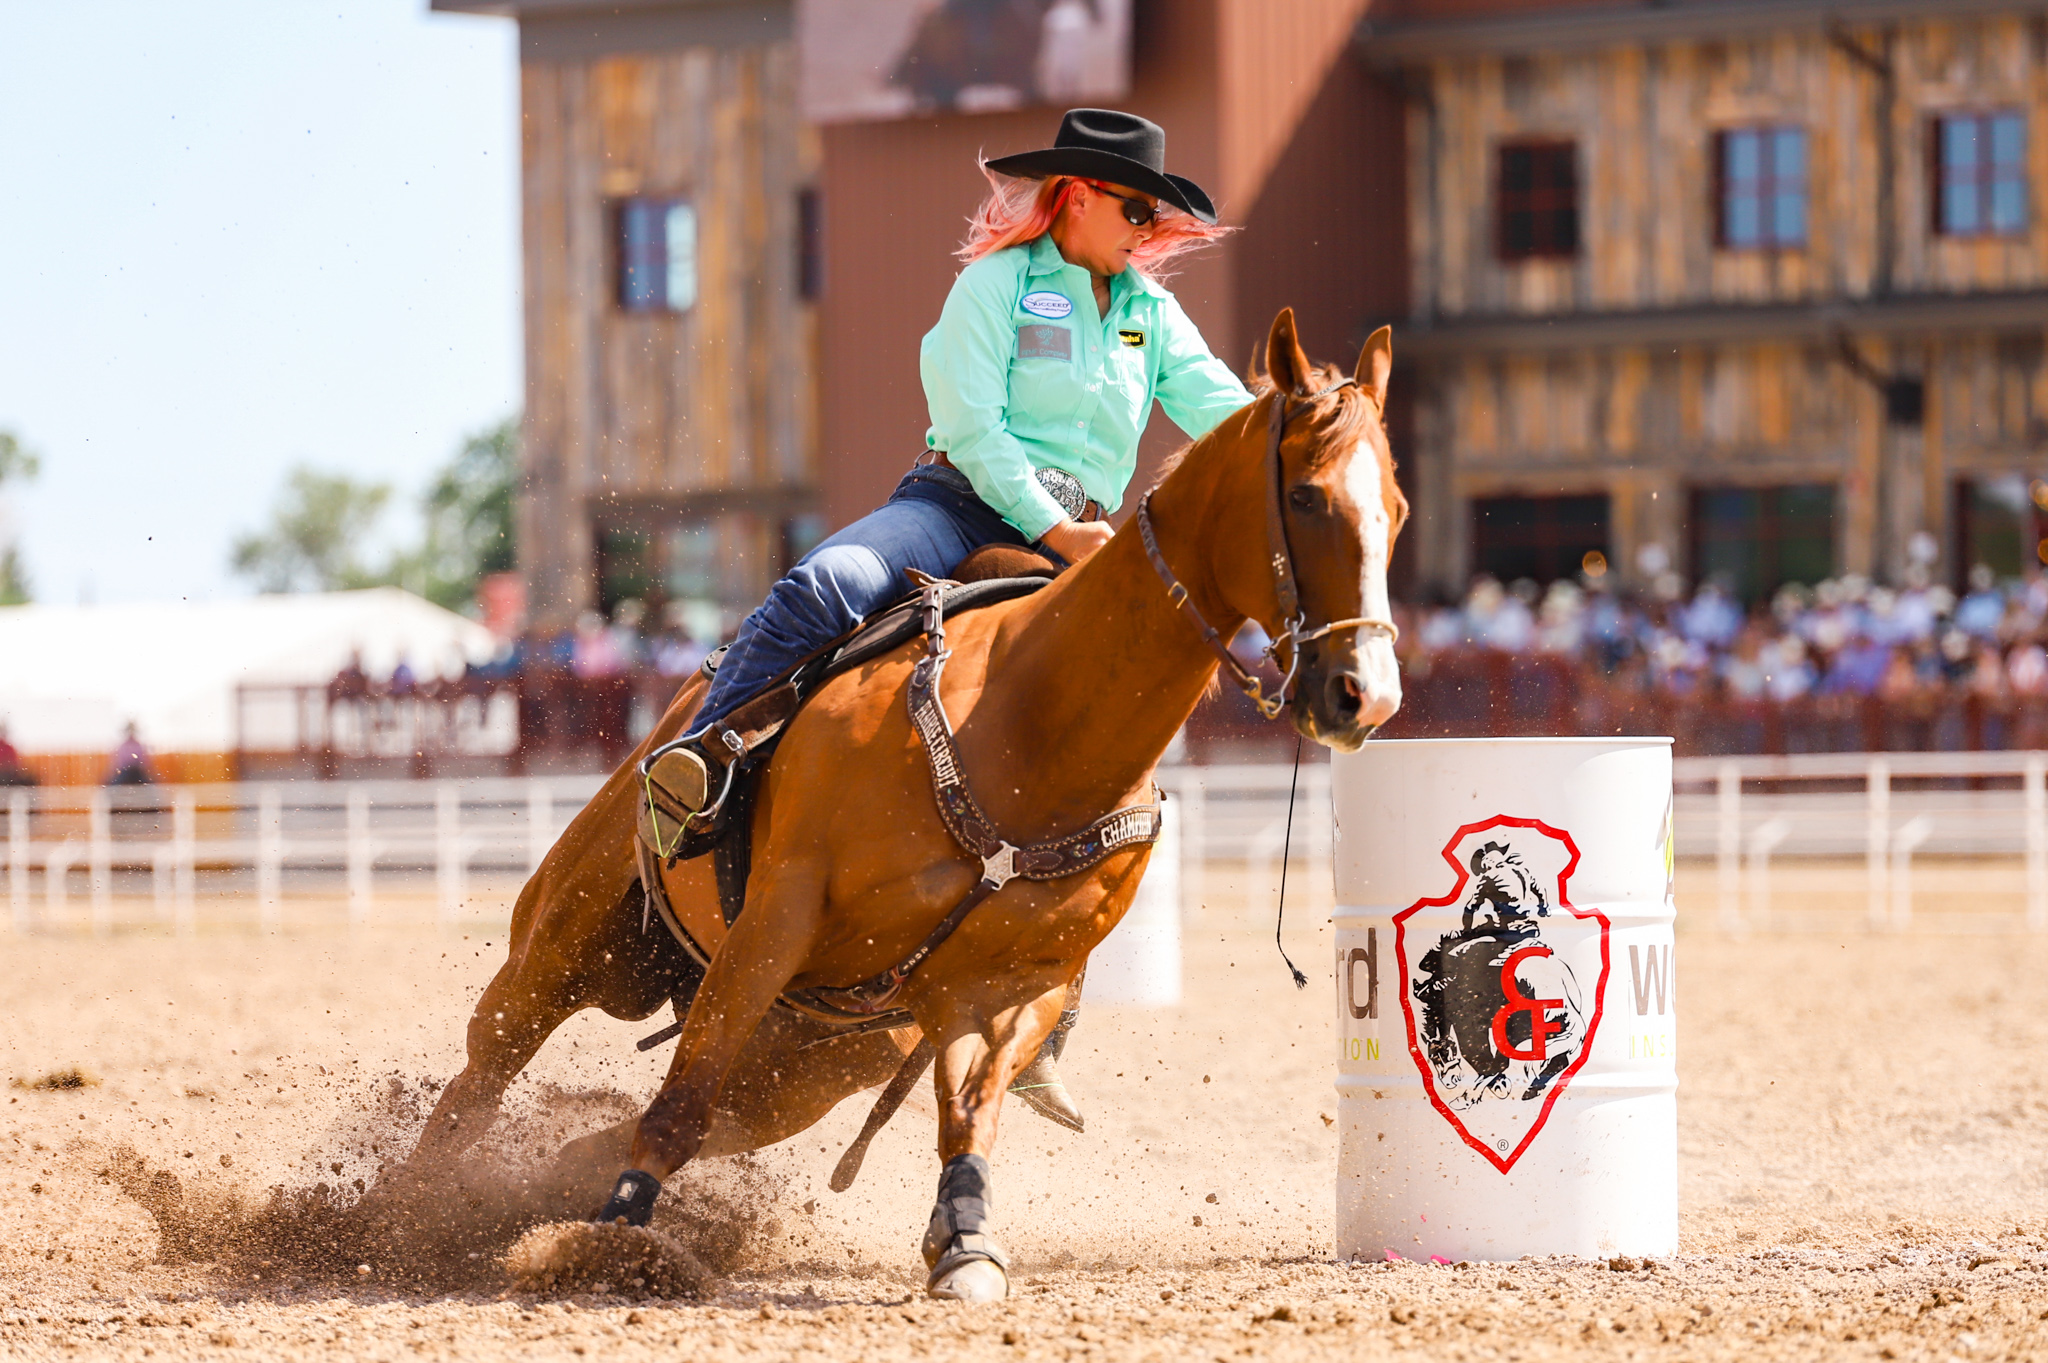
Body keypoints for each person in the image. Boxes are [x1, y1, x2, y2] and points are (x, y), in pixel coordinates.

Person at [644, 108, 1252, 1130]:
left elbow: (1222, 410)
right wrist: (1055, 528)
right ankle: (707, 755)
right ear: (1075, 195)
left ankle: (1041, 1012)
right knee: (827, 584)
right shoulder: (995, 287)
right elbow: (969, 426)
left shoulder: (1146, 310)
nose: (1146, 229)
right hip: (957, 505)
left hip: (1078, 546)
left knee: (1102, 750)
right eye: (1134, 207)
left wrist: (1306, 437)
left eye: (1156, 215)